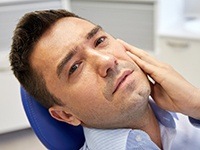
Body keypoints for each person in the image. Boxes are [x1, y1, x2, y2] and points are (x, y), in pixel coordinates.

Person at [9, 9, 200, 150]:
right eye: (74, 67)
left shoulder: (190, 112)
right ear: (66, 115)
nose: (107, 60)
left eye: (99, 41)